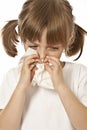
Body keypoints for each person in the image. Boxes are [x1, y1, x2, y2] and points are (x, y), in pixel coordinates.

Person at [0, 0, 87, 130]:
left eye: (53, 48)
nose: (42, 55)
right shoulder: (13, 77)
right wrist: (22, 86)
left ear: (68, 41)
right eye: (33, 46)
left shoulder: (79, 74)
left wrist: (61, 86)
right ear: (24, 40)